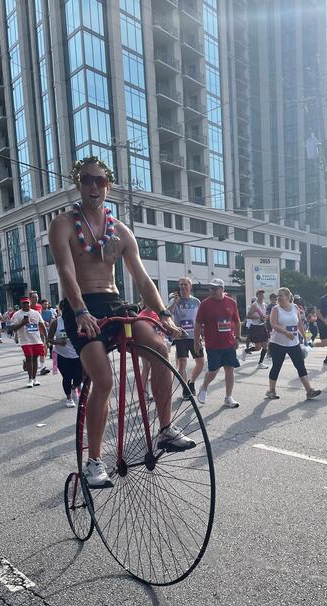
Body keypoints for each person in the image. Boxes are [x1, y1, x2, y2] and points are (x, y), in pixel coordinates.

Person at [50, 155, 193, 488]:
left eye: (100, 181)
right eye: (87, 180)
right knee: (103, 379)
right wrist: (81, 310)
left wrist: (164, 315)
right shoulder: (64, 224)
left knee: (159, 346)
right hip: (81, 306)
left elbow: (142, 279)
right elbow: (65, 272)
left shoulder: (120, 230)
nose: (94, 187)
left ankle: (166, 430)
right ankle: (94, 462)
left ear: (108, 186)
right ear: (79, 184)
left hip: (114, 301)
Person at [266, 287, 321, 401]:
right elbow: (274, 325)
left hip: (293, 342)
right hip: (278, 343)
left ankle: (309, 391)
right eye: (278, 296)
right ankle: (271, 390)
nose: (278, 298)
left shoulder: (295, 307)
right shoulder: (276, 309)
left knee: (300, 365)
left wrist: (305, 338)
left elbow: (299, 324)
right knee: (277, 366)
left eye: (281, 295)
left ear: (287, 296)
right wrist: (286, 332)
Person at [194, 277, 241, 408]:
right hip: (213, 344)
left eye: (215, 288)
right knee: (213, 371)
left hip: (228, 343)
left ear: (222, 289)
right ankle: (204, 387)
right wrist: (196, 341)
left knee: (229, 369)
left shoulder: (231, 302)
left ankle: (228, 397)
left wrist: (237, 338)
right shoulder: (205, 304)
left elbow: (237, 321)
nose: (212, 290)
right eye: (211, 288)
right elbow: (198, 323)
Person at [166, 276, 204, 399]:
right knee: (182, 364)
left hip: (194, 336)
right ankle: (186, 390)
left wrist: (202, 334)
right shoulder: (174, 300)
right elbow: (166, 313)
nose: (183, 286)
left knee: (200, 362)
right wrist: (174, 302)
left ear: (190, 286)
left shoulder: (196, 301)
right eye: (181, 284)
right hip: (181, 336)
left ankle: (191, 382)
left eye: (185, 284)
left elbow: (200, 319)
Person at [48, 309, 83, 407]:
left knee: (78, 378)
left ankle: (73, 388)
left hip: (76, 354)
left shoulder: (78, 320)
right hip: (62, 355)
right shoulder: (56, 322)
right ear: (61, 310)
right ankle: (69, 399)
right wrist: (59, 343)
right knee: (67, 377)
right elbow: (49, 339)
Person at [10, 297, 48, 387]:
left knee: (35, 359)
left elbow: (42, 325)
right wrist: (22, 323)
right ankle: (30, 379)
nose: (26, 305)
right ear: (21, 304)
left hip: (36, 339)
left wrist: (47, 338)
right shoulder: (17, 314)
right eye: (24, 303)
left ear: (29, 303)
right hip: (25, 340)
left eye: (27, 303)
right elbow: (12, 328)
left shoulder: (35, 313)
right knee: (29, 358)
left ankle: (35, 378)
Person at [242, 288, 269, 368]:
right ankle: (246, 350)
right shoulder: (255, 305)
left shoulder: (264, 305)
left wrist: (265, 318)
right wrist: (259, 317)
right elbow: (249, 315)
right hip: (255, 327)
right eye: (260, 294)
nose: (262, 295)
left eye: (263, 294)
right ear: (257, 295)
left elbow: (265, 316)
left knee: (265, 345)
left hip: (262, 327)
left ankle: (260, 363)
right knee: (258, 348)